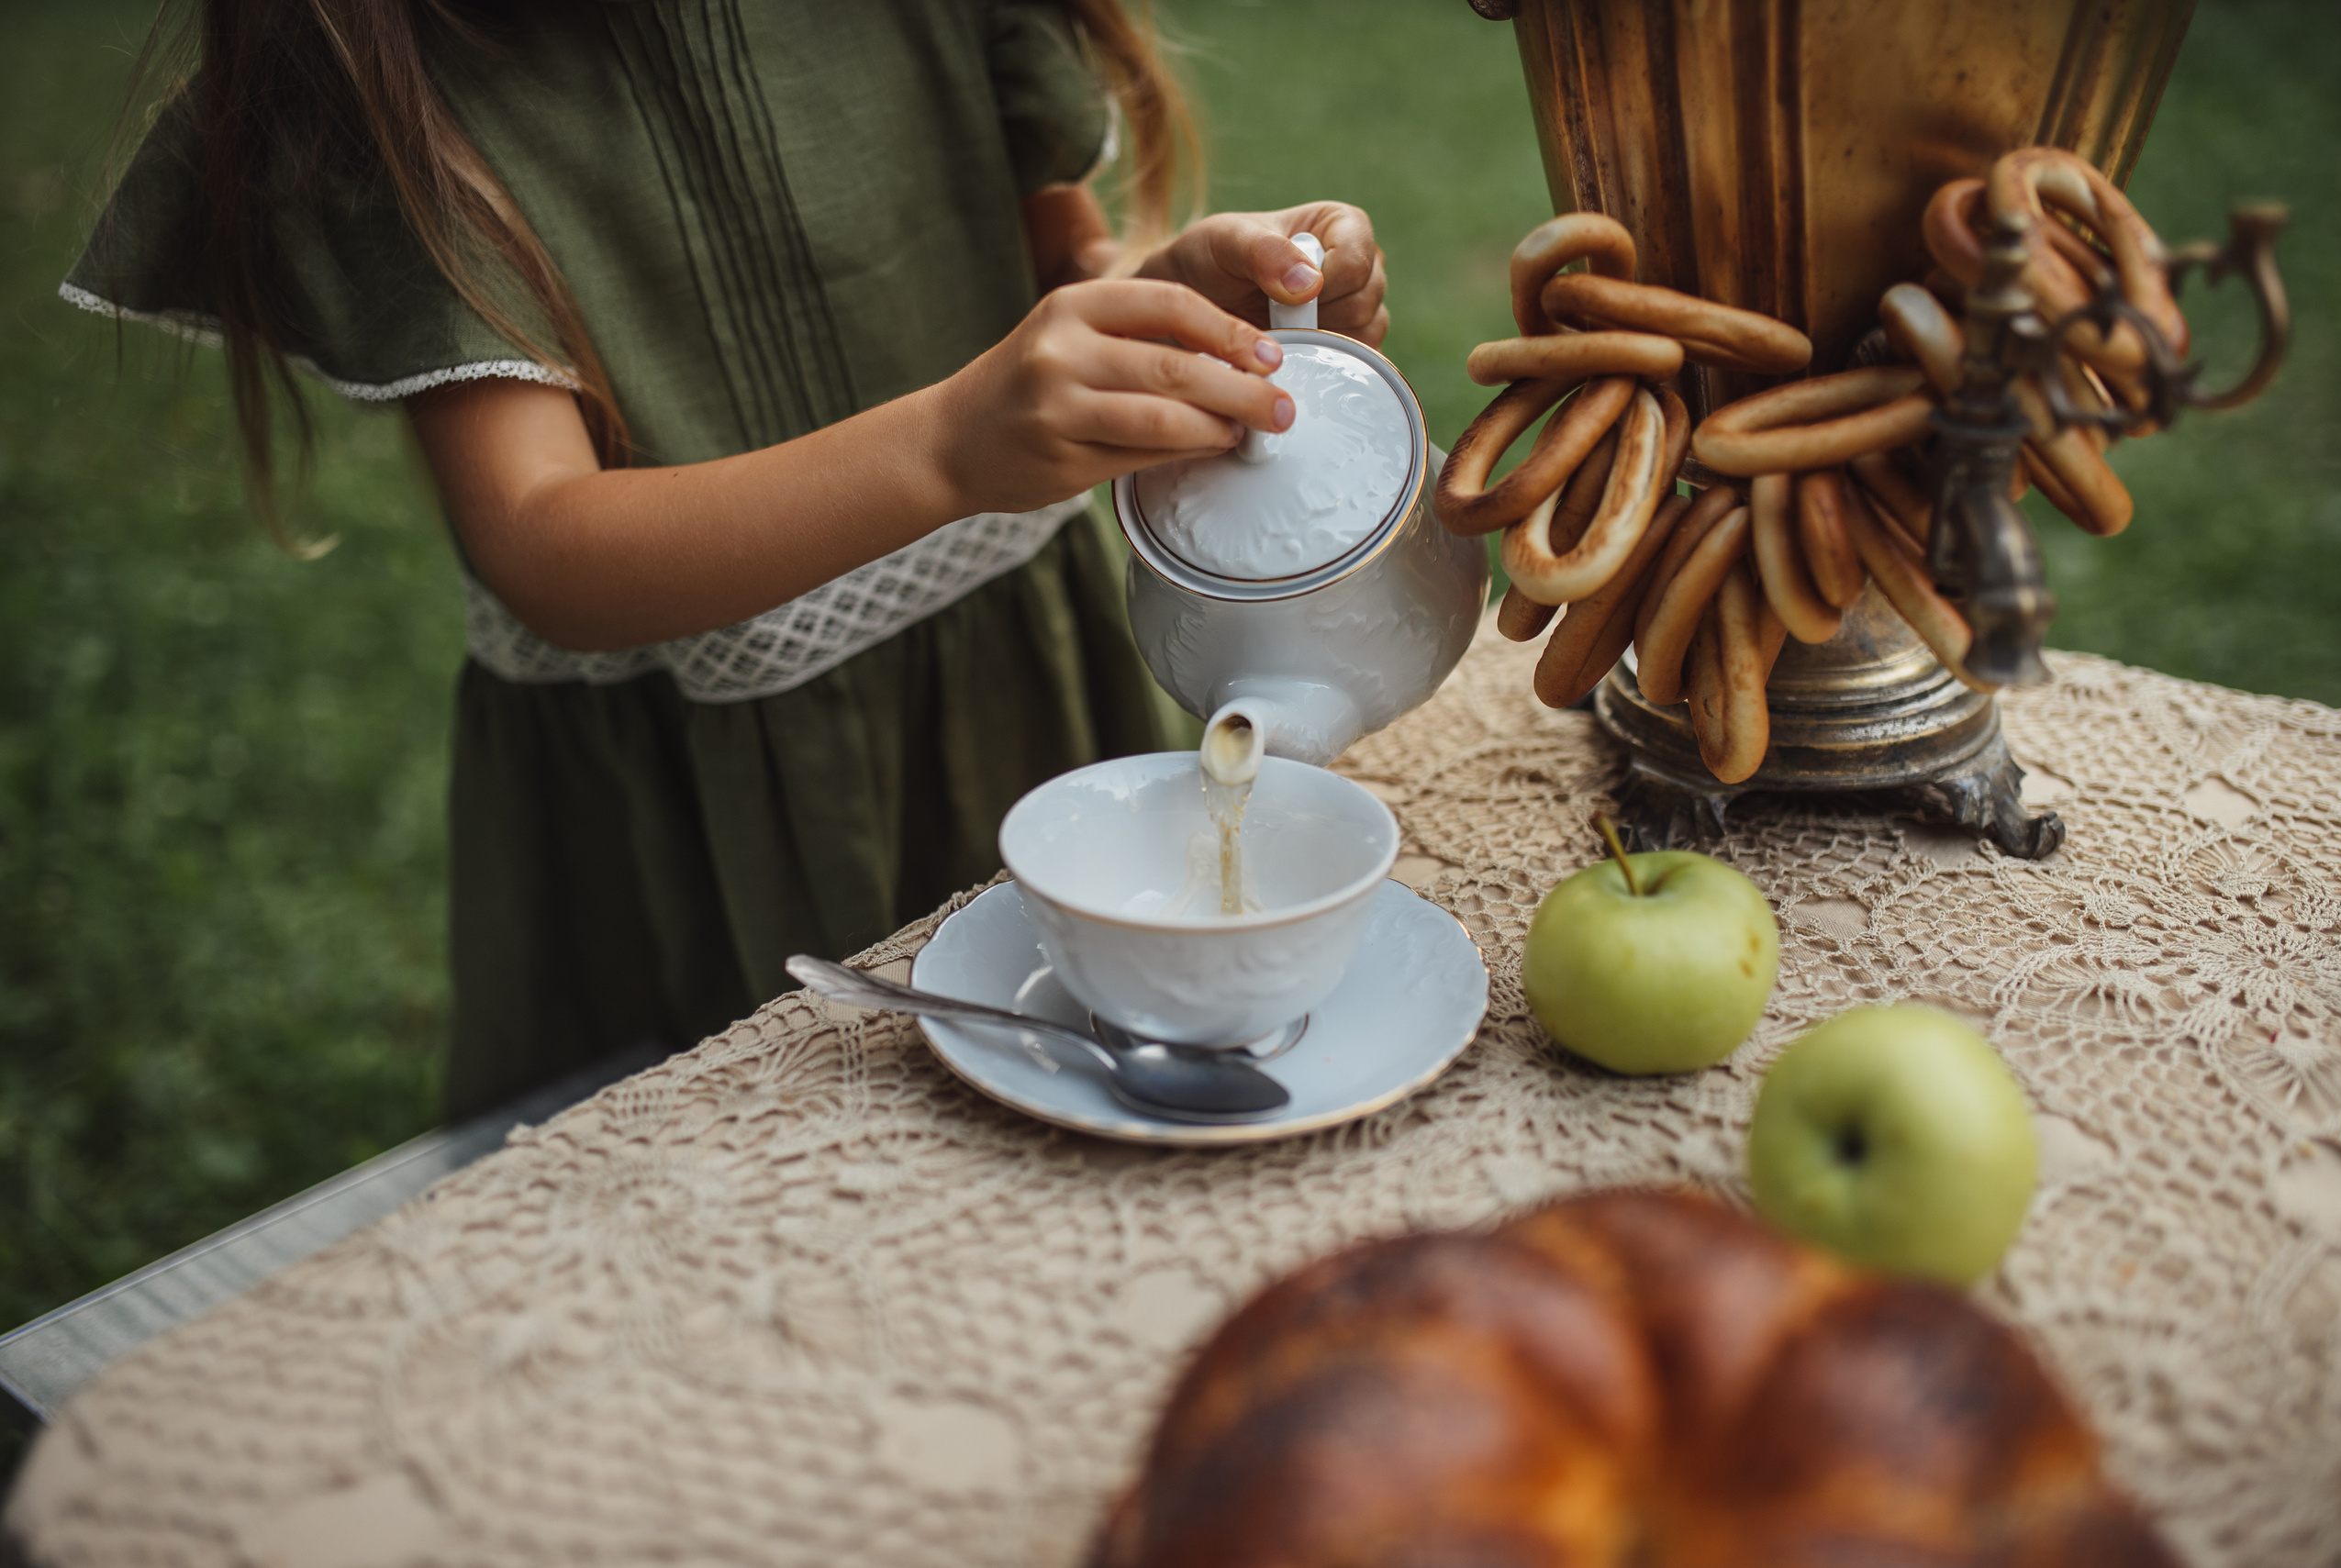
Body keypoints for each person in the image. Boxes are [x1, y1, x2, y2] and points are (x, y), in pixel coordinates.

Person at [64, 0, 1388, 1120]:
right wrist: (944, 448)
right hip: (694, 818)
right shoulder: (396, 60)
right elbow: (544, 542)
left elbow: (1058, 263)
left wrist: (1168, 312)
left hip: (1018, 693)